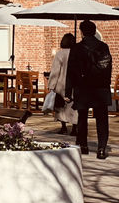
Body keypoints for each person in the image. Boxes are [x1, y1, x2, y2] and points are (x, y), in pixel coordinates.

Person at [67, 19, 112, 158]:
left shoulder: (76, 48)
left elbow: (71, 71)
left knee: (82, 118)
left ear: (81, 32)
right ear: (94, 31)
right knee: (102, 119)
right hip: (100, 88)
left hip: (83, 87)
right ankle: (101, 149)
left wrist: (69, 91)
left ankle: (84, 145)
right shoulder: (103, 47)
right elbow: (108, 67)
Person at [47, 33, 77, 136]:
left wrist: (51, 85)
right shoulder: (77, 53)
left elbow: (55, 71)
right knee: (73, 107)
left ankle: (63, 127)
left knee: (61, 107)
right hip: (74, 84)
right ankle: (74, 128)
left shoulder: (60, 54)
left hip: (61, 84)